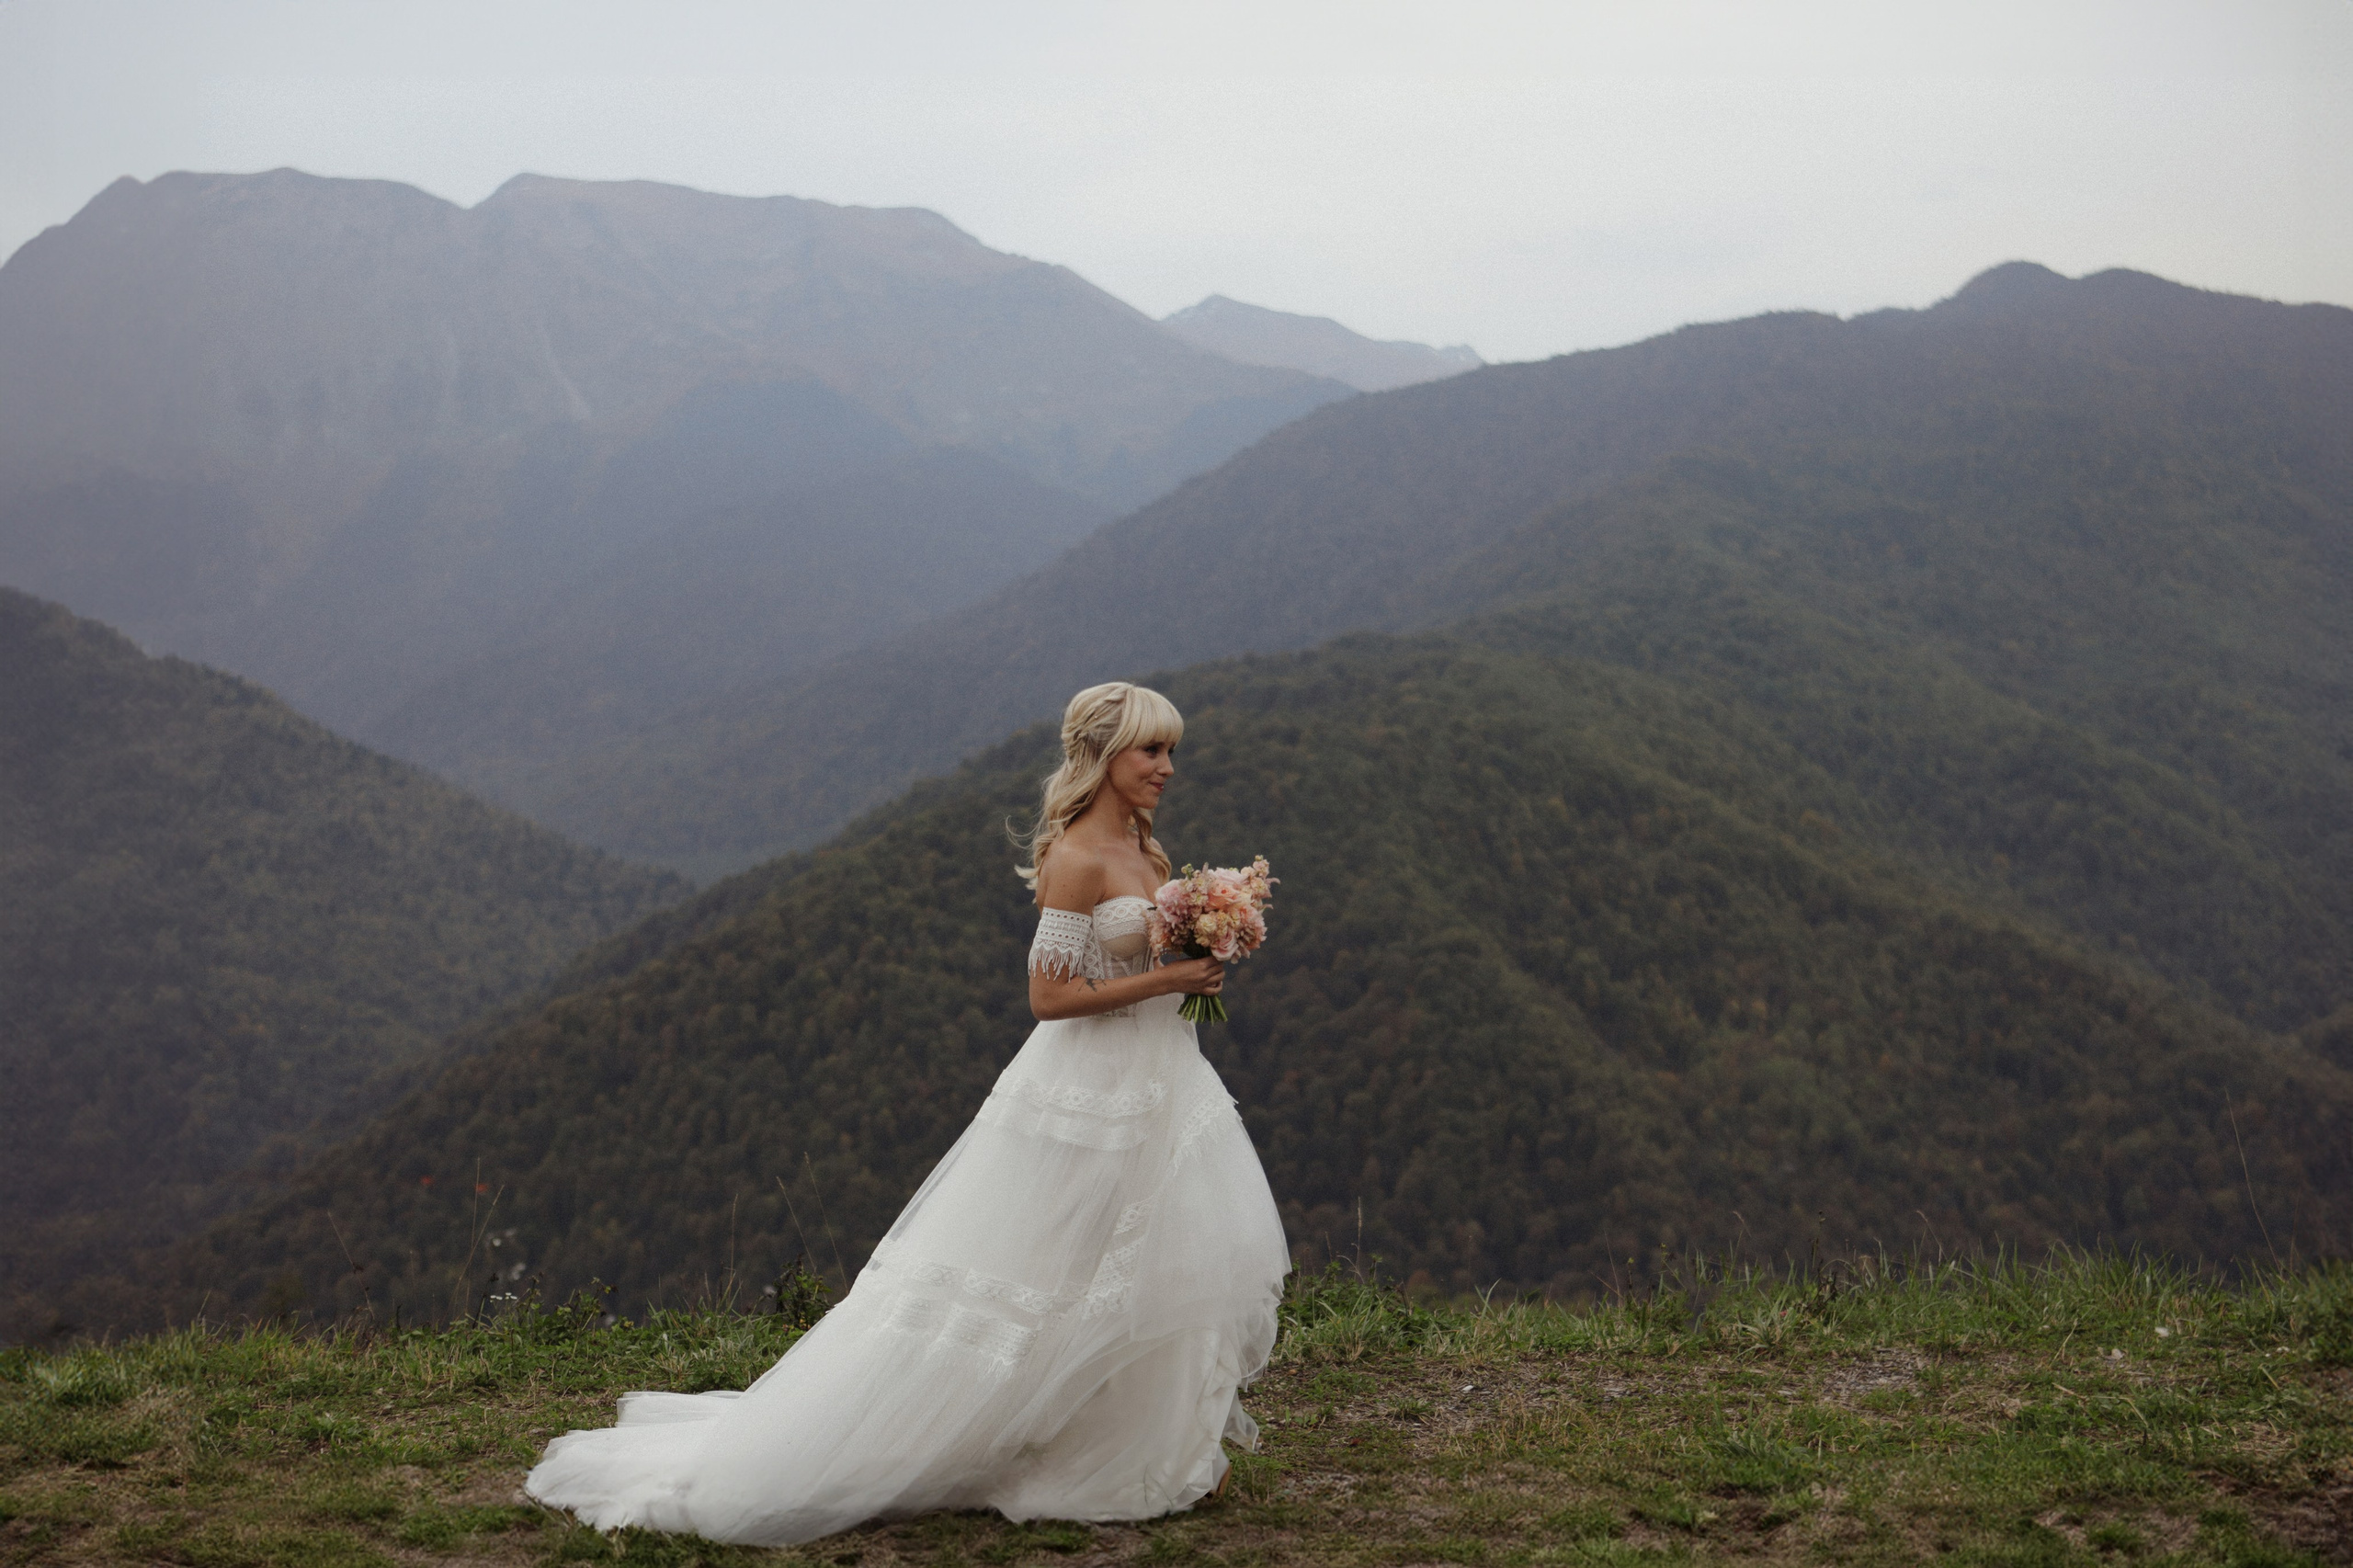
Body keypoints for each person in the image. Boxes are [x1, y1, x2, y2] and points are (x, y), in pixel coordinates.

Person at [525, 681, 1291, 1546]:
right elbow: (1048, 997)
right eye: (1152, 750)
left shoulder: (1148, 852)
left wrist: (1197, 945)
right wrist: (1172, 977)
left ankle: (1150, 1446)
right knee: (1053, 1262)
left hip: (1163, 1078)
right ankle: (1032, 1439)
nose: (1167, 767)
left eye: (1171, 750)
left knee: (1152, 1258)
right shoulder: (1077, 856)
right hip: (1089, 1089)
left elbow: (1135, 964)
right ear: (1106, 756)